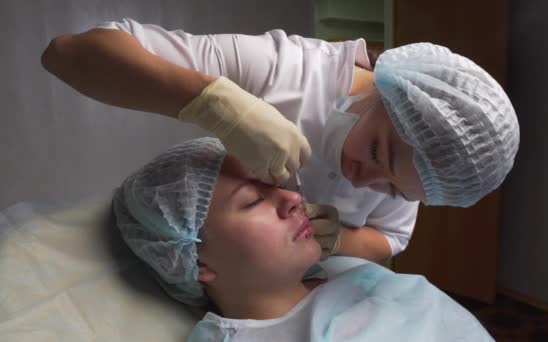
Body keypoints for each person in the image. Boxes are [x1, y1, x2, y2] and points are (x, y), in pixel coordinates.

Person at [42, 18, 520, 262]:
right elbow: (67, 54)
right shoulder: (283, 69)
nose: (364, 178)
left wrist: (335, 240)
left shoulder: (423, 161)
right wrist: (214, 103)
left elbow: (390, 238)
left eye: (391, 188)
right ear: (386, 88)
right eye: (376, 151)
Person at [113, 137, 494, 341]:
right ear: (197, 262)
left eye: (278, 186)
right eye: (254, 201)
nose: (294, 199)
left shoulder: (351, 272)